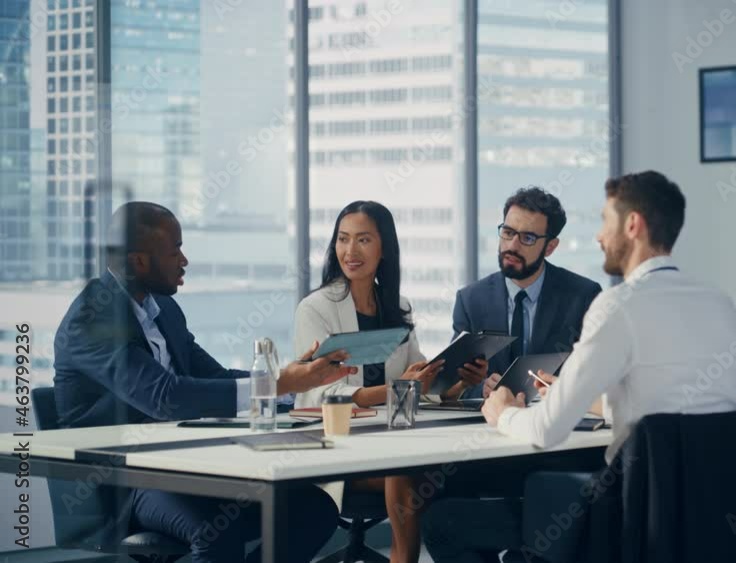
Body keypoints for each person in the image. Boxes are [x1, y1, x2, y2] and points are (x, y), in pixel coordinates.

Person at [422, 171, 736, 562]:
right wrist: (569, 393)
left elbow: (545, 430)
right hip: (708, 508)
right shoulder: (719, 302)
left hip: (622, 508)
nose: (598, 237)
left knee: (442, 520)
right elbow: (662, 407)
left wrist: (503, 412)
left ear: (632, 225)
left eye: (605, 222)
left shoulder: (616, 305)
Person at [53, 202, 355, 563]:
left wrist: (292, 382)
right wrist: (275, 383)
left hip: (185, 466)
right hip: (122, 480)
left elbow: (212, 377)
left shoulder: (163, 310)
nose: (184, 260)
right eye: (174, 250)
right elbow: (165, 397)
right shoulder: (91, 318)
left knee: (313, 508)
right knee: (216, 530)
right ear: (138, 261)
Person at [292, 200, 444, 563]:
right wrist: (397, 390)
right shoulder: (316, 309)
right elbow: (322, 391)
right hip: (336, 445)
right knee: (404, 469)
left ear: (384, 248)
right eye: (343, 239)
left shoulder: (398, 306)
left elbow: (414, 380)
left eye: (363, 240)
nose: (350, 251)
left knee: (431, 465)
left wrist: (446, 383)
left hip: (391, 440)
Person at [452, 187, 601, 400]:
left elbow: (596, 375)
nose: (512, 245)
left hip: (556, 424)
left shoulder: (583, 297)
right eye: (508, 232)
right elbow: (453, 386)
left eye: (528, 238)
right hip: (488, 425)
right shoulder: (471, 300)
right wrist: (482, 389)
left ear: (550, 247)